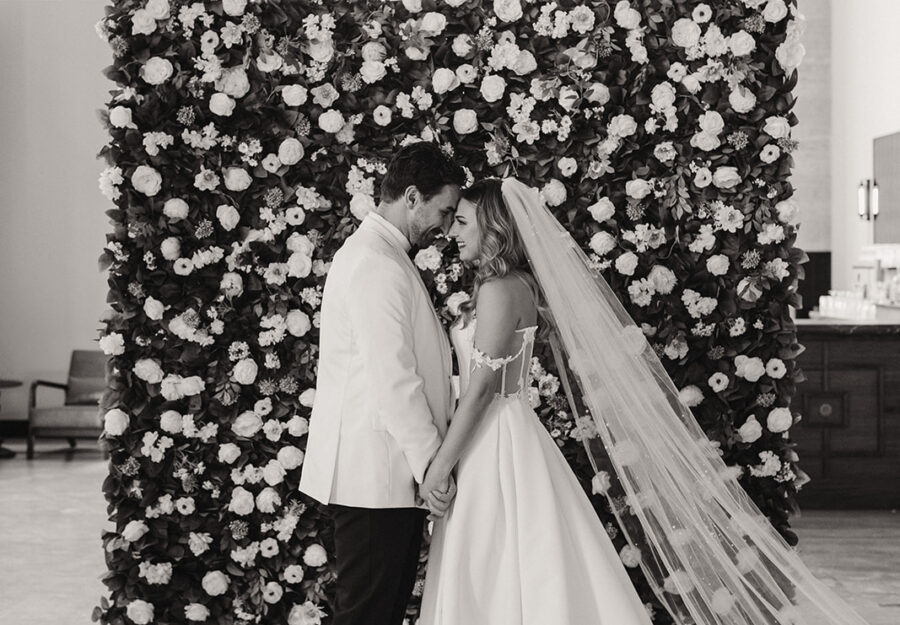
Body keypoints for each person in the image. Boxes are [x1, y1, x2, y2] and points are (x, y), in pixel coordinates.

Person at [418, 178, 873, 625]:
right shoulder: (512, 284)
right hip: (506, 433)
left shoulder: (500, 289)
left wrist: (439, 467)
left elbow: (482, 390)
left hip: (493, 438)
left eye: (462, 222)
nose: (452, 232)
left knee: (492, 559)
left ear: (494, 226)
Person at [298, 142, 465, 625]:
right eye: (444, 211)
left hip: (383, 476)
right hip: (375, 477)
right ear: (412, 197)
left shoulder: (382, 255)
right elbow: (394, 379)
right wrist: (433, 467)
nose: (446, 227)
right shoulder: (376, 262)